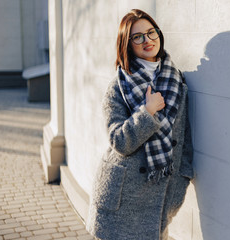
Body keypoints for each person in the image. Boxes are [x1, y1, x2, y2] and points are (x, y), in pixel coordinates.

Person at [86, 9, 194, 240]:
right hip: (122, 198)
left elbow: (184, 141)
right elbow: (119, 141)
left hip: (160, 198)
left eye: (150, 32)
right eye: (137, 37)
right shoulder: (118, 86)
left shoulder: (177, 81)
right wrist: (147, 112)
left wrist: (179, 185)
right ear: (127, 44)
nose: (147, 40)